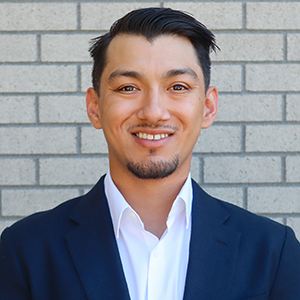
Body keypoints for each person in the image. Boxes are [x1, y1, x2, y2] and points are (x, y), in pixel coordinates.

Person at [0, 7, 300, 300]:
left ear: (208, 107)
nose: (154, 112)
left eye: (178, 86)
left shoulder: (273, 250)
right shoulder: (25, 249)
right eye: (128, 87)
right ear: (95, 108)